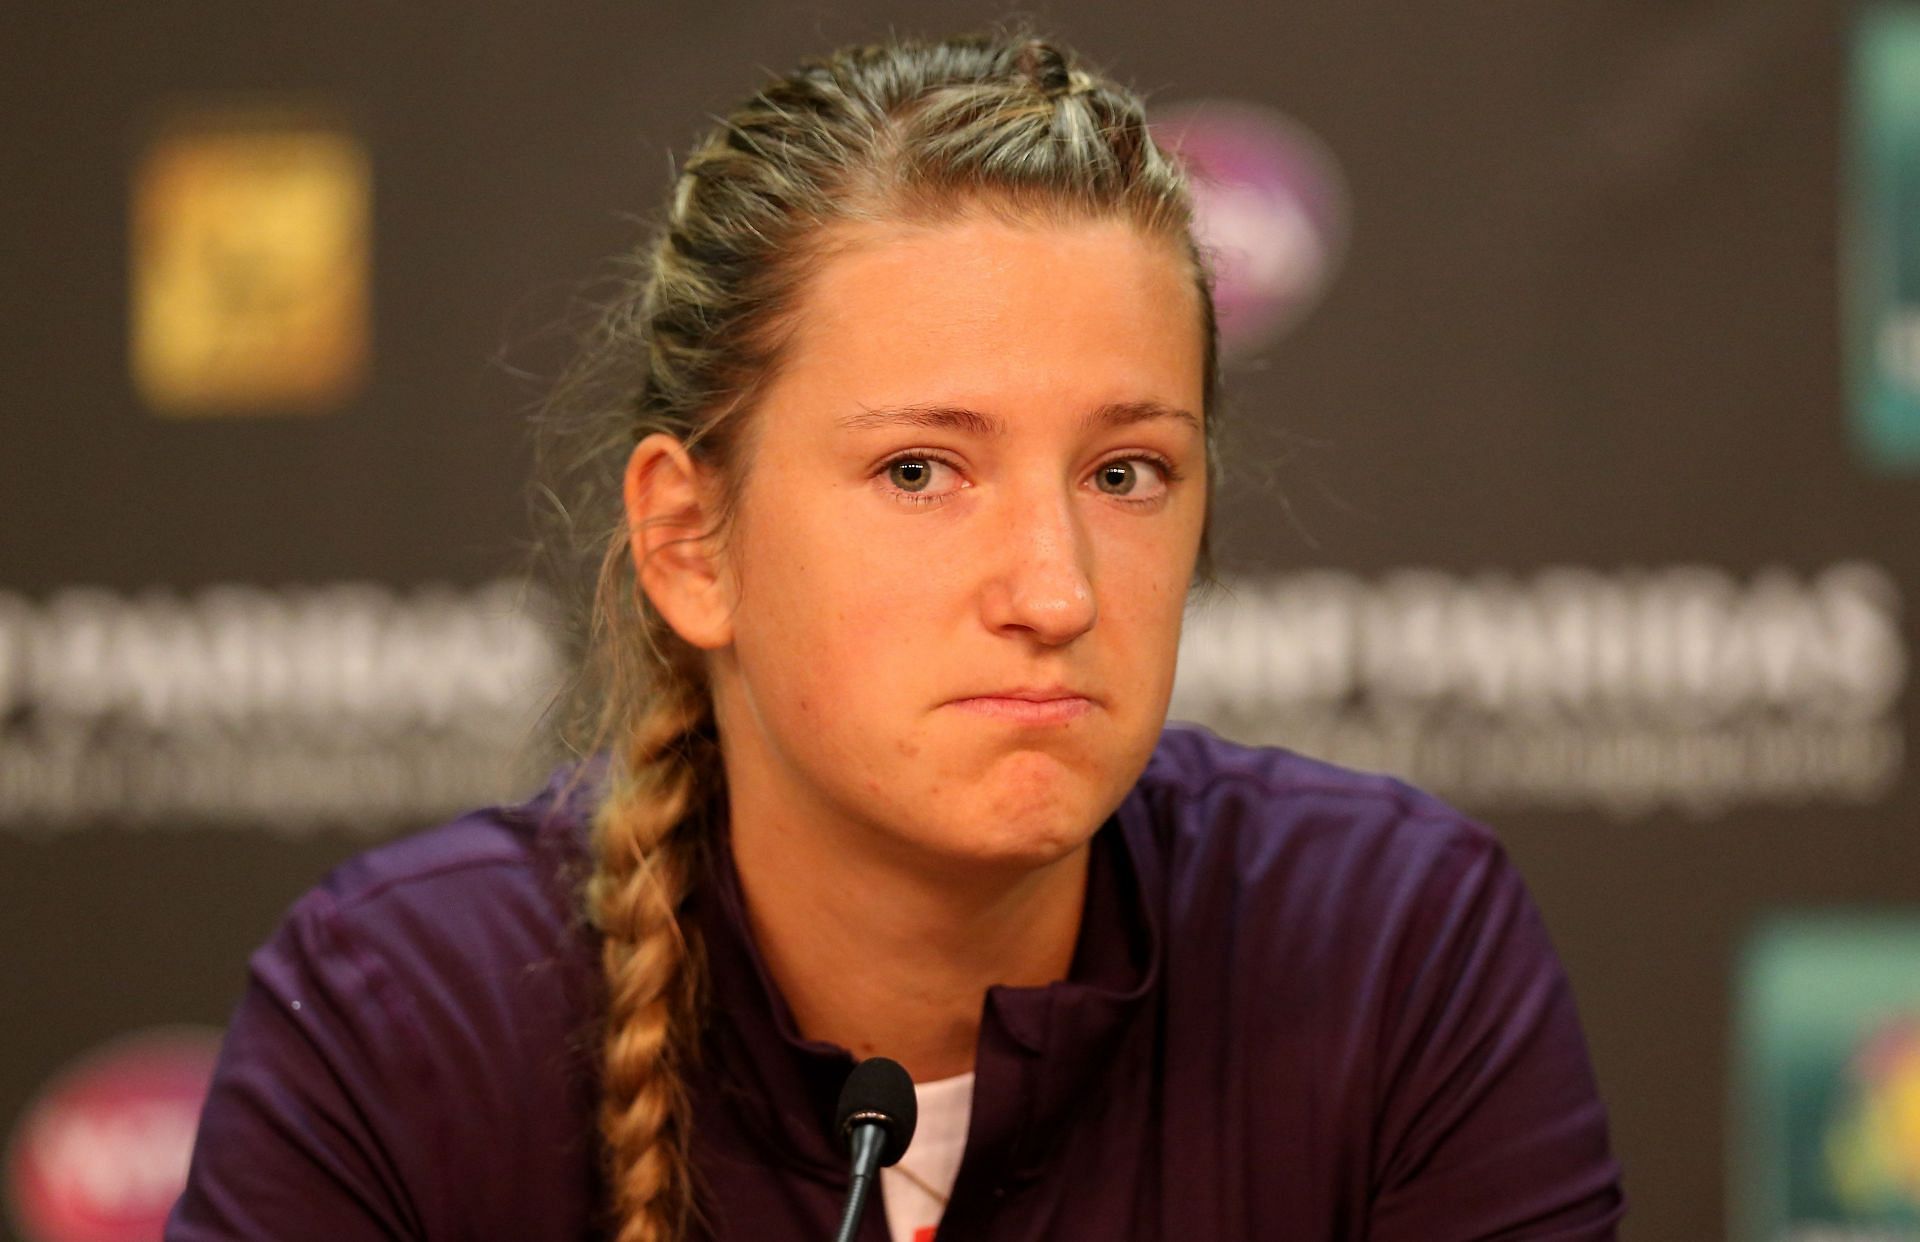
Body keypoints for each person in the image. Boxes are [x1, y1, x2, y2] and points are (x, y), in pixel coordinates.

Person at [167, 30, 1624, 1242]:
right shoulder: (403, 1018)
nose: (1054, 591)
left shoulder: (1393, 951)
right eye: (921, 471)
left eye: (1126, 473)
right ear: (689, 540)